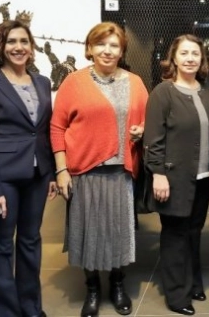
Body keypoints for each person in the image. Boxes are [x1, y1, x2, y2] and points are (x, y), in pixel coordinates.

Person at [51, 22, 148, 317]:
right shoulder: (74, 82)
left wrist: (142, 130)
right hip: (85, 171)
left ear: (122, 51)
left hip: (121, 172)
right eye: (101, 44)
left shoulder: (135, 82)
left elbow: (148, 120)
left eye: (114, 45)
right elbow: (57, 127)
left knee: (119, 232)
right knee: (88, 232)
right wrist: (61, 170)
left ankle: (117, 284)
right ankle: (92, 288)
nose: (107, 51)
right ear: (90, 48)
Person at [0, 20, 56, 317]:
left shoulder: (42, 82)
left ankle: (31, 308)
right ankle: (3, 312)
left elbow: (42, 131)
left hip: (37, 176)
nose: (19, 47)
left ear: (31, 47)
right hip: (2, 179)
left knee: (31, 241)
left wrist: (51, 173)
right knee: (2, 245)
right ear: (0, 46)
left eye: (24, 41)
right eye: (11, 42)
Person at [144, 34, 209, 316]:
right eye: (184, 53)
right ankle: (176, 294)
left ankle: (193, 283)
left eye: (195, 54)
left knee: (194, 231)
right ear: (173, 58)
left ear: (202, 59)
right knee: (175, 235)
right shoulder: (163, 93)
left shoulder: (208, 92)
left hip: (203, 177)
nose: (190, 59)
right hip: (173, 178)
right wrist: (158, 174)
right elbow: (153, 138)